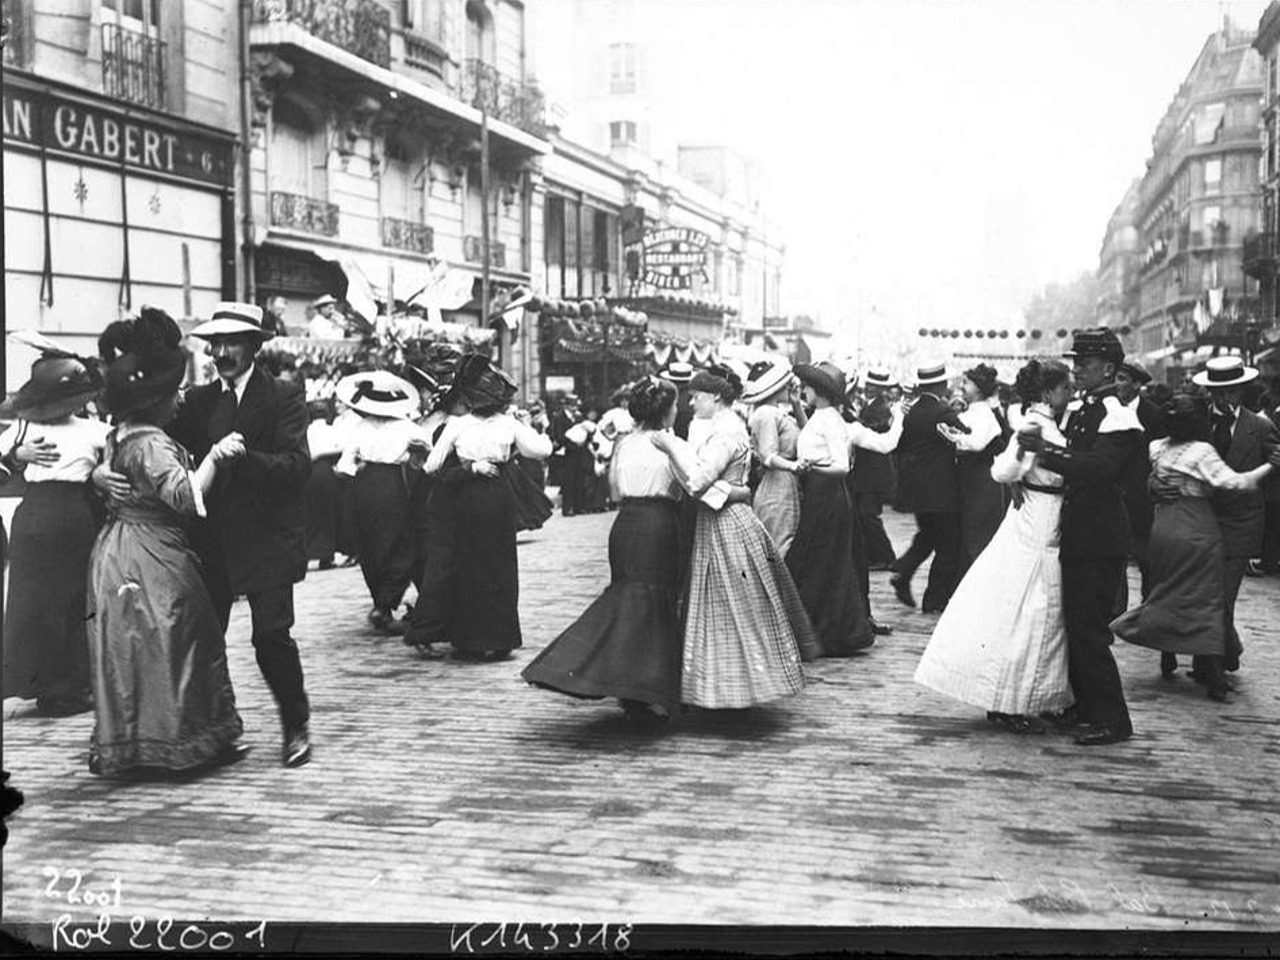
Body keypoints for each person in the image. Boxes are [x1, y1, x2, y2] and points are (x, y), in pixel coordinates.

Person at [96, 302, 314, 767]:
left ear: (254, 345)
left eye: (231, 342)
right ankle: (215, 732)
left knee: (271, 638)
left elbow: (297, 468)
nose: (221, 352)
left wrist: (242, 459)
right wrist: (100, 470)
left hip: (267, 542)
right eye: (214, 344)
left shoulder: (282, 396)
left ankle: (295, 726)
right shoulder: (195, 401)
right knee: (202, 639)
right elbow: (136, 433)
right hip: (207, 543)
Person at [88, 308, 246, 777]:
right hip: (155, 553)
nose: (180, 397)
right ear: (155, 399)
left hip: (116, 552)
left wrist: (100, 475)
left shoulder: (120, 435)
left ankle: (136, 746)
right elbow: (185, 496)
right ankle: (183, 743)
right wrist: (217, 456)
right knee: (181, 636)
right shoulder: (153, 443)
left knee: (132, 648)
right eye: (173, 391)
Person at [914, 359, 1075, 732]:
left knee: (1043, 610)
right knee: (1029, 608)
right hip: (1037, 519)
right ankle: (1010, 700)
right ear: (1048, 392)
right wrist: (1021, 469)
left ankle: (1040, 695)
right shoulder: (1035, 426)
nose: (1071, 394)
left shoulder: (1045, 424)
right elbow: (1002, 470)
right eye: (1065, 388)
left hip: (1045, 517)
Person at [650, 363, 818, 708]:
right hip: (725, 517)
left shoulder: (726, 432)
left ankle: (733, 687)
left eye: (696, 397)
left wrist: (671, 448)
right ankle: (727, 686)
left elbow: (697, 482)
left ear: (714, 397)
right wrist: (733, 490)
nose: (691, 404)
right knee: (729, 604)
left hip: (724, 523)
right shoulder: (725, 427)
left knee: (730, 605)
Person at [522, 376, 688, 724]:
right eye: (673, 405)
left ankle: (627, 684)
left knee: (629, 600)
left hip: (626, 523)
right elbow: (689, 484)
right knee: (656, 604)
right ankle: (647, 686)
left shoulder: (626, 444)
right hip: (659, 523)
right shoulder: (672, 444)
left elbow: (613, 490)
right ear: (666, 411)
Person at [1018, 328, 1141, 746]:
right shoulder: (1090, 408)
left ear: (1108, 367)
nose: (1076, 371)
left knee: (1089, 628)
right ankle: (1086, 707)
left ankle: (1112, 718)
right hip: (1081, 532)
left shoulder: (1117, 414)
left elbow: (1100, 468)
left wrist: (1047, 454)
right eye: (1074, 364)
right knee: (1076, 624)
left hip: (1100, 535)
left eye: (1083, 364)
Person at [1110, 392, 1276, 701]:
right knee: (1207, 599)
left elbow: (1148, 478)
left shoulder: (1156, 447)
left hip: (1164, 526)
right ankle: (1214, 675)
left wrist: (1155, 485)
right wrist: (1268, 467)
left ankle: (1166, 649)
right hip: (1197, 527)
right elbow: (1238, 483)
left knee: (1166, 589)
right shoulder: (1203, 451)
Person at [404, 355, 552, 661]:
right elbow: (541, 450)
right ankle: (500, 638)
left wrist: (466, 465)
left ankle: (470, 638)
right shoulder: (510, 424)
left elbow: (431, 466)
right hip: (499, 495)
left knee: (470, 566)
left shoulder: (458, 425)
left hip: (466, 499)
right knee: (500, 565)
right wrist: (527, 428)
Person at [0, 353, 108, 716]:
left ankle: (63, 685)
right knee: (45, 601)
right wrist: (17, 455)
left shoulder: (95, 431)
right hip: (49, 515)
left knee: (66, 600)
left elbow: (110, 469)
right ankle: (50, 684)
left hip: (62, 512)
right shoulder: (26, 430)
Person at [1189, 357, 1279, 682]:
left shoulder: (1260, 427)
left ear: (1242, 390)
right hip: (1202, 521)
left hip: (1241, 524)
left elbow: (1273, 475)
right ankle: (1218, 653)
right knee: (1204, 593)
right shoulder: (1195, 422)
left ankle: (1213, 668)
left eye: (1233, 391)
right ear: (1210, 392)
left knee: (1224, 596)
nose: (1227, 399)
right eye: (1220, 392)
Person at [782, 361, 878, 656]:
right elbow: (809, 431)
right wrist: (797, 407)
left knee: (820, 561)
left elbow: (841, 466)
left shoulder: (832, 421)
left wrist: (812, 467)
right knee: (823, 562)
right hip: (820, 495)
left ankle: (829, 632)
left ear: (820, 391)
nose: (804, 391)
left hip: (828, 495)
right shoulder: (821, 416)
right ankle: (829, 631)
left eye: (807, 388)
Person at [333, 370, 431, 635]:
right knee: (402, 544)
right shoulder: (408, 428)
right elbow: (430, 451)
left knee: (371, 546)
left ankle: (382, 605)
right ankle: (386, 602)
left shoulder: (359, 428)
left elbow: (345, 465)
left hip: (364, 486)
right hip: (393, 485)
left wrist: (353, 474)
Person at [891, 362, 968, 614]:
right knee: (948, 545)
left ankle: (903, 570)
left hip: (917, 491)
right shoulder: (941, 410)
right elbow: (967, 434)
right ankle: (934, 600)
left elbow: (902, 446)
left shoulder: (913, 411)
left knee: (928, 536)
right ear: (941, 385)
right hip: (941, 491)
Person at [940, 363, 1009, 577]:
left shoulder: (984, 413)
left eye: (967, 382)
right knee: (971, 533)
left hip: (981, 481)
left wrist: (953, 437)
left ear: (978, 388)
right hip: (971, 480)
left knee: (979, 533)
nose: (963, 386)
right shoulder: (974, 412)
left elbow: (977, 442)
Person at [1113, 359, 1167, 608]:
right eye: (1115, 378)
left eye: (1122, 379)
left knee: (1147, 561)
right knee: (1114, 560)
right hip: (1114, 496)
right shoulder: (1109, 410)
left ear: (1137, 384)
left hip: (1143, 500)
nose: (1117, 384)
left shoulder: (1153, 415)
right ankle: (1115, 612)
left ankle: (1149, 610)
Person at [743, 356, 805, 557]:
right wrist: (794, 466)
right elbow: (768, 456)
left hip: (785, 483)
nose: (792, 386)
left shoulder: (776, 413)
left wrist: (797, 405)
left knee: (785, 538)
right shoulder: (767, 414)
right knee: (780, 542)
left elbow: (808, 434)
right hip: (777, 484)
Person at [851, 369, 899, 571]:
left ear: (881, 388)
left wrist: (856, 422)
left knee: (868, 515)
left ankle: (886, 556)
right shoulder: (874, 406)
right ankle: (876, 555)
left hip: (873, 472)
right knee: (866, 515)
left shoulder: (880, 408)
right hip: (869, 472)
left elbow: (876, 429)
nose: (869, 387)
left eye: (874, 385)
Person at [303, 398, 342, 571]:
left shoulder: (305, 432)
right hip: (327, 471)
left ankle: (307, 554)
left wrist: (315, 454)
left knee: (309, 512)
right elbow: (342, 448)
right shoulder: (333, 430)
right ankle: (326, 555)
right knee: (328, 511)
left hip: (308, 473)